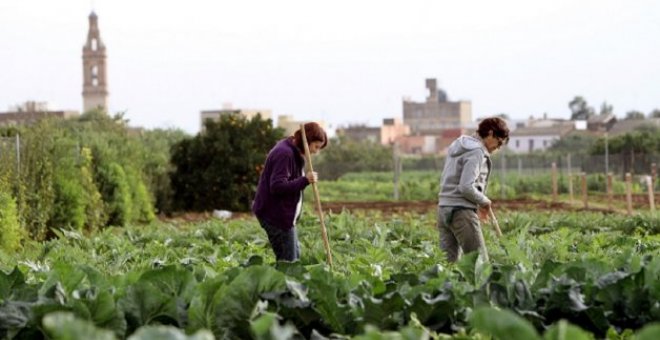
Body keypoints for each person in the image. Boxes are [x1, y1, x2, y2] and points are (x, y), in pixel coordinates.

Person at [252, 122, 328, 261]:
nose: (316, 152)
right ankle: (281, 283)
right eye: (316, 147)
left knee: (294, 258)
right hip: (275, 216)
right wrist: (305, 180)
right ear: (308, 141)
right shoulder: (285, 154)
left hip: (283, 216)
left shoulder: (294, 151)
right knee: (289, 263)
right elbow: (277, 187)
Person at [437, 117, 509, 262]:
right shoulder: (477, 151)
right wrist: (484, 201)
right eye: (499, 141)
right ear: (490, 133)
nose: (499, 147)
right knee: (479, 264)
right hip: (461, 212)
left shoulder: (458, 143)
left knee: (447, 265)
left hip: (443, 209)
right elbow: (465, 187)